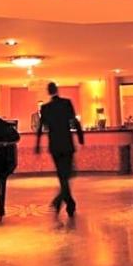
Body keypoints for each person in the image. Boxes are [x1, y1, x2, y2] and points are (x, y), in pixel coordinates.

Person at [35, 82, 84, 216]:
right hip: (67, 144)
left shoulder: (45, 108)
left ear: (48, 92)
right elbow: (75, 121)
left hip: (55, 145)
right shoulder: (66, 103)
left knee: (62, 175)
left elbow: (40, 127)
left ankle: (62, 201)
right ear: (57, 90)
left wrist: (37, 144)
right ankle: (67, 202)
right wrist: (80, 136)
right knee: (67, 174)